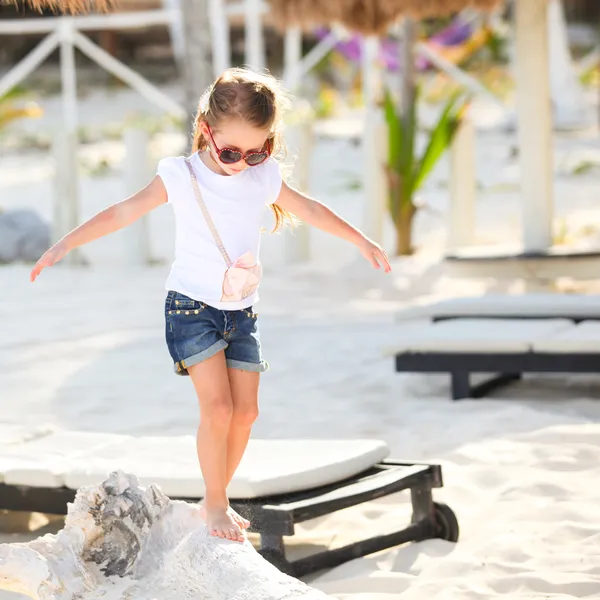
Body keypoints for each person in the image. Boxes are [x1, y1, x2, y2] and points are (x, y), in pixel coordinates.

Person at [30, 67, 391, 543]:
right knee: (218, 410)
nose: (243, 163)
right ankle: (217, 502)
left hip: (241, 312)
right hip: (190, 310)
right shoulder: (181, 176)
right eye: (230, 152)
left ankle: (212, 497)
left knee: (246, 415)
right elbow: (122, 212)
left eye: (257, 150)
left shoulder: (263, 177)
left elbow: (311, 209)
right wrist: (64, 245)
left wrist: (360, 240)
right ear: (205, 130)